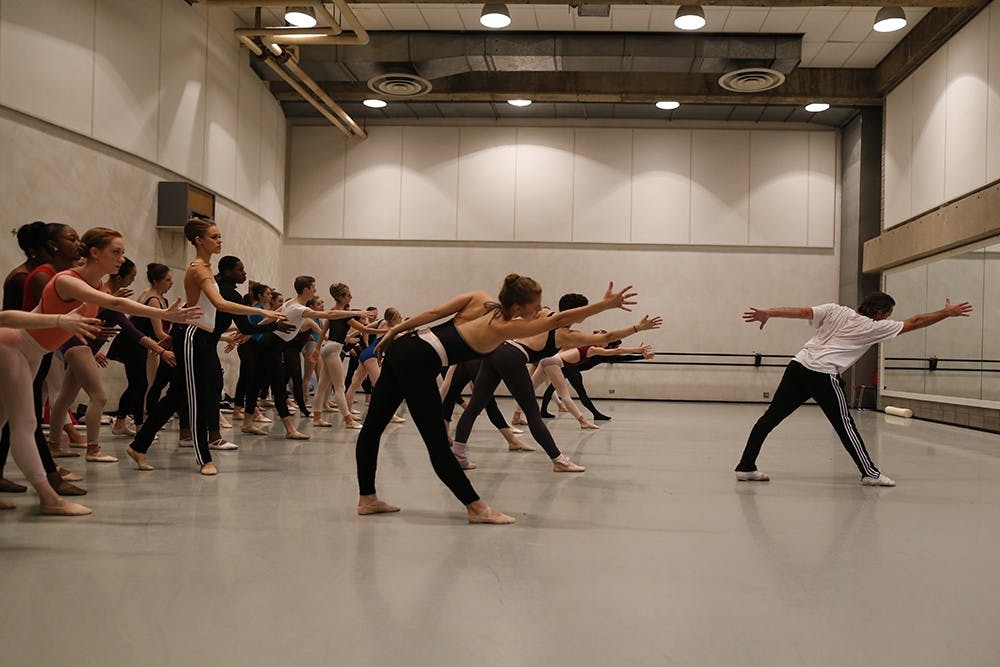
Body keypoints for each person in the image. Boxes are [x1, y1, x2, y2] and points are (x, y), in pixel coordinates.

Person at [355, 275, 638, 525]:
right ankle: (476, 507)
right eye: (535, 306)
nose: (539, 310)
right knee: (437, 444)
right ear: (517, 307)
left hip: (406, 347)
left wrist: (395, 331)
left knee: (374, 427)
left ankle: (367, 498)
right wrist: (604, 305)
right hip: (418, 362)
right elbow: (558, 320)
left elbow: (432, 313)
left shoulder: (480, 298)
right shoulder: (503, 327)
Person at [735, 292, 974, 486]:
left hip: (798, 365)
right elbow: (915, 322)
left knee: (770, 418)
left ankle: (746, 467)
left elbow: (802, 312)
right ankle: (870, 473)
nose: (889, 318)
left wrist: (769, 312)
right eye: (889, 314)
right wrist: (946, 313)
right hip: (822, 373)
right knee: (845, 425)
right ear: (880, 314)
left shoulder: (835, 309)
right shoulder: (874, 327)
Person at [125, 245, 286, 474]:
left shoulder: (210, 274)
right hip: (193, 338)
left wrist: (272, 322)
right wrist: (266, 314)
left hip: (203, 340)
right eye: (240, 270)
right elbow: (222, 308)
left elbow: (239, 325)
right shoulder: (203, 272)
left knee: (177, 395)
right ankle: (204, 458)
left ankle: (139, 445)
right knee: (197, 396)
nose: (245, 273)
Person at [0, 306, 102, 513]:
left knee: (15, 420)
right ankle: (48, 495)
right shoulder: (58, 279)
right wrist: (58, 320)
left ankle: (49, 490)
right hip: (16, 345)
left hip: (30, 348)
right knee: (26, 423)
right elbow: (4, 317)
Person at [312, 283, 384, 429]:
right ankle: (349, 420)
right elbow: (363, 329)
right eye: (348, 295)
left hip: (328, 348)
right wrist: (387, 331)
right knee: (339, 386)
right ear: (340, 297)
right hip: (333, 349)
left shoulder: (333, 312)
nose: (351, 297)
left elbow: (323, 330)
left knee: (322, 385)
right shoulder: (343, 314)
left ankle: (317, 418)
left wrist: (318, 348)